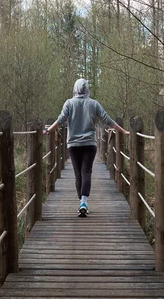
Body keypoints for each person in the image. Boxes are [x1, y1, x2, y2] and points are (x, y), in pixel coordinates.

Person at [44, 78, 129, 217]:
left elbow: (61, 120)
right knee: (86, 171)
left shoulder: (69, 103)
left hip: (73, 145)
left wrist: (48, 131)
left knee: (78, 174)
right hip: (90, 144)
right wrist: (123, 131)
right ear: (87, 89)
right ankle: (83, 201)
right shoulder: (94, 104)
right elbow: (107, 120)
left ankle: (82, 201)